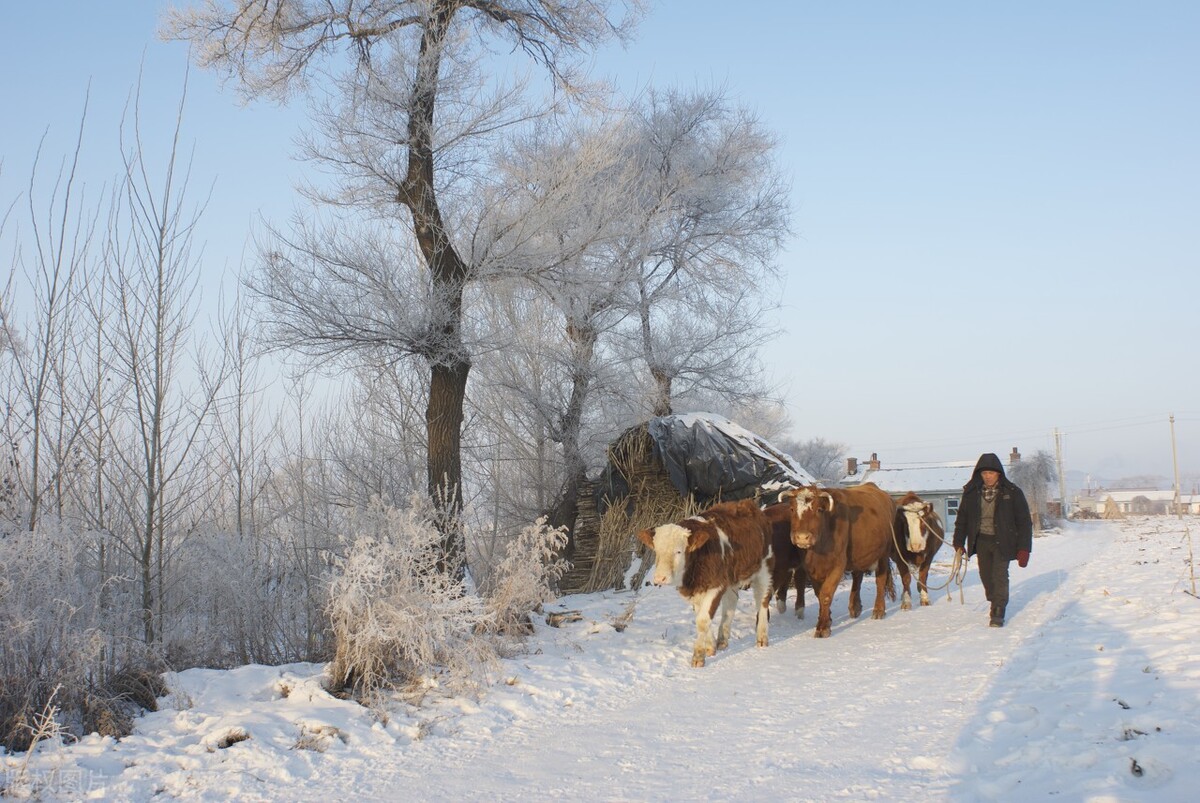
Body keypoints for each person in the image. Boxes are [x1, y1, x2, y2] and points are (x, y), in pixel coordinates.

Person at [952, 453, 1033, 627]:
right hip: (981, 540)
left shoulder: (1012, 492)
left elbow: (1024, 522)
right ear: (979, 474)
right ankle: (994, 598)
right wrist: (958, 542)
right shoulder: (971, 493)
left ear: (998, 474)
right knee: (986, 576)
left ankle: (998, 611)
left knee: (1000, 576)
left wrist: (1024, 548)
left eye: (991, 473)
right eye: (984, 473)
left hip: (1003, 540)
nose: (988, 476)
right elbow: (962, 519)